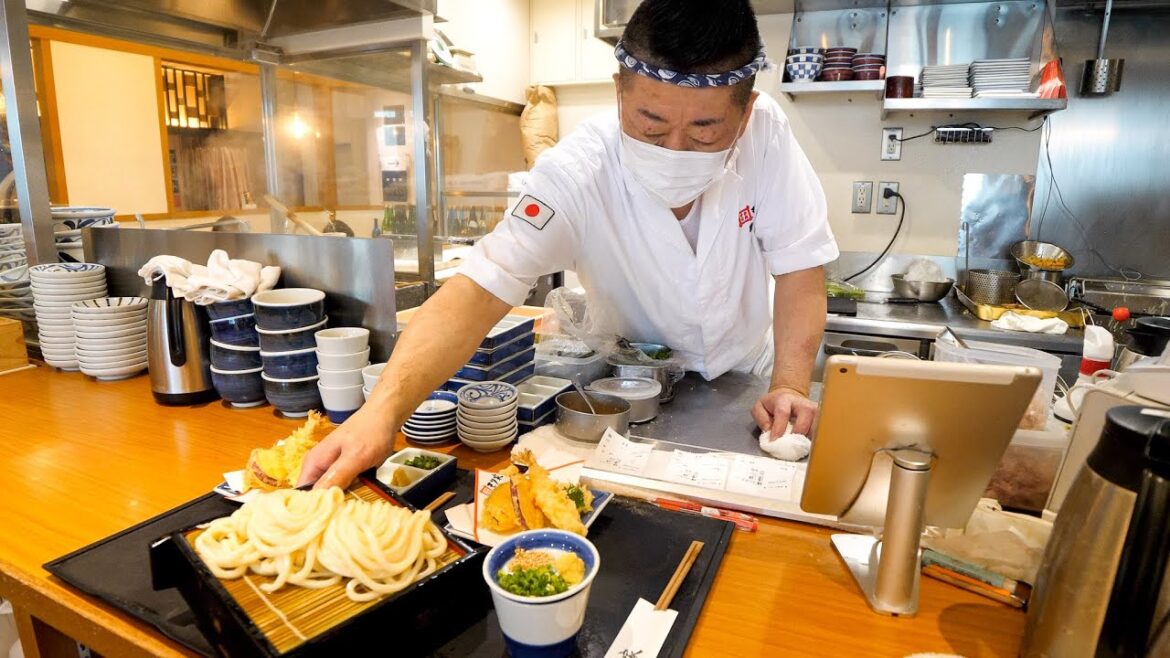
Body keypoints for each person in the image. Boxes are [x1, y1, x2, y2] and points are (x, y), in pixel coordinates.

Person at [299, 0, 838, 489]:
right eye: (650, 123)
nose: (675, 149)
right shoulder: (577, 172)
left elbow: (800, 267)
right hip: (625, 391)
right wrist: (382, 413)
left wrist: (790, 383)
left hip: (746, 380)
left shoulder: (767, 135)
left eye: (704, 131)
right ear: (619, 91)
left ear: (744, 114)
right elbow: (480, 289)